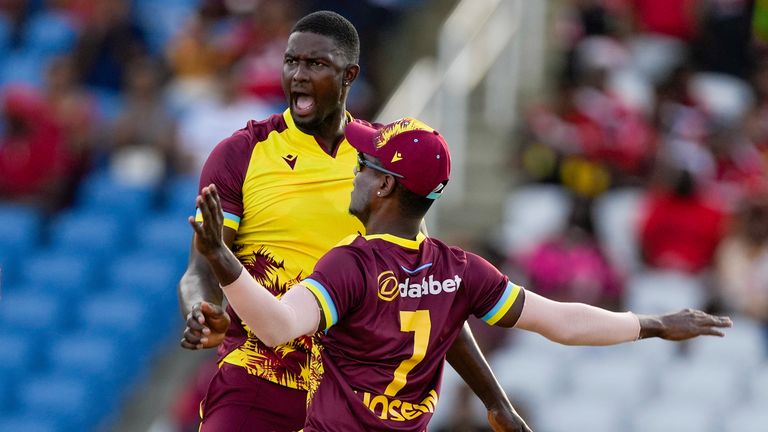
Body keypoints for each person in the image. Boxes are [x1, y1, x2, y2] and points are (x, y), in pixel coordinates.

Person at [190, 116, 732, 431]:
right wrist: (654, 323)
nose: (354, 171)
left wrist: (222, 257)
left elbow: (281, 327)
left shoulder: (350, 264)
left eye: (366, 166)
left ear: (384, 186)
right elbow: (563, 322)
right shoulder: (460, 270)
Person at [178, 10, 526, 432]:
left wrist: (495, 401)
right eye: (292, 62)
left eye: (317, 64)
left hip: (351, 399)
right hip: (259, 380)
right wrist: (203, 308)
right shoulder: (241, 154)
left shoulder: (386, 158)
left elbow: (427, 290)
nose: (299, 75)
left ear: (350, 75)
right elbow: (201, 268)